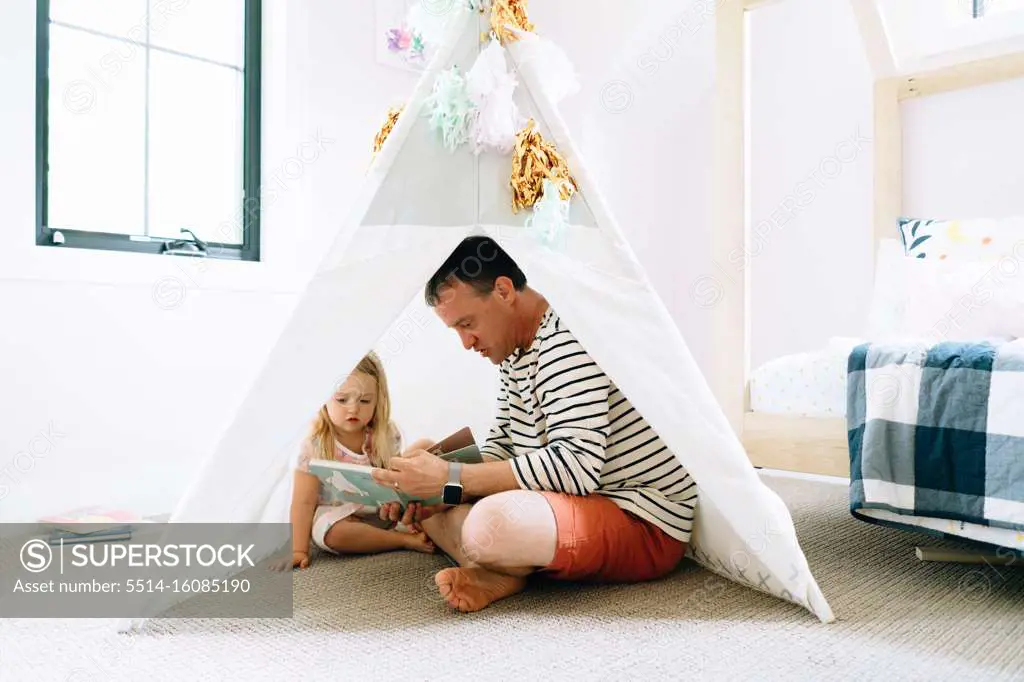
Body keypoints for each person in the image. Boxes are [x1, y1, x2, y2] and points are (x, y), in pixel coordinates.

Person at [371, 236, 698, 612]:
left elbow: (576, 467)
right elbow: (506, 443)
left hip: (640, 517)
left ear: (504, 290)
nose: (465, 342)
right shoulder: (515, 350)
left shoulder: (567, 339)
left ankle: (497, 561)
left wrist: (452, 479)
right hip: (578, 501)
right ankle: (498, 565)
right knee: (424, 467)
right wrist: (433, 488)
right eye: (455, 330)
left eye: (467, 323)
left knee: (487, 525)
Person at [287, 352, 436, 569]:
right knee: (329, 532)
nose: (353, 408)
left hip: (381, 512)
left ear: (378, 400)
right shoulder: (313, 445)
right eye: (341, 399)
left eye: (365, 400)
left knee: (425, 446)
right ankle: (402, 540)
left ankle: (408, 524)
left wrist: (396, 499)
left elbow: (393, 478)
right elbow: (303, 502)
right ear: (324, 398)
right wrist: (298, 550)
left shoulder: (385, 434)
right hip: (340, 517)